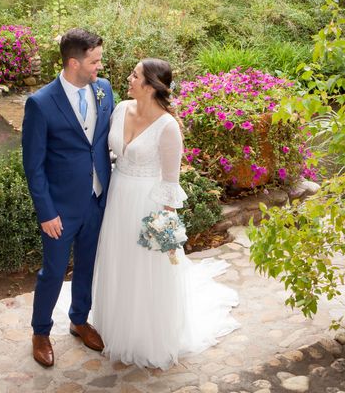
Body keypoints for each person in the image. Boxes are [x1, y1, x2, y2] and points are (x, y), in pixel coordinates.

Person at [91, 58, 240, 370]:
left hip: (148, 203)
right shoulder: (120, 110)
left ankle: (145, 335)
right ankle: (116, 323)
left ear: (149, 86)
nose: (128, 79)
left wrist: (165, 228)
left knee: (148, 266)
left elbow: (171, 183)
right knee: (119, 259)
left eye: (134, 75)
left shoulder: (168, 127)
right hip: (118, 198)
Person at [21, 28, 114, 367]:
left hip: (98, 200)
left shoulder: (103, 90)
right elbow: (33, 166)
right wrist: (46, 212)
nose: (99, 67)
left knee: (88, 265)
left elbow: (103, 142)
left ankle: (79, 320)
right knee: (54, 271)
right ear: (73, 62)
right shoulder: (41, 104)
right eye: (95, 61)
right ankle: (40, 331)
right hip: (60, 208)